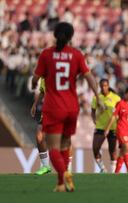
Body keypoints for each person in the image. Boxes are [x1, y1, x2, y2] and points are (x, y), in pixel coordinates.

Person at [31, 22, 99, 192]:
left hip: (54, 106)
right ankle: (61, 183)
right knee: (65, 145)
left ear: (55, 35)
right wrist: (98, 96)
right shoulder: (76, 54)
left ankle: (65, 173)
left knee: (53, 146)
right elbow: (89, 76)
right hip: (71, 107)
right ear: (71, 36)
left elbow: (35, 79)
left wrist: (34, 84)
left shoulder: (46, 54)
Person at [104, 85, 128, 173]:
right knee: (127, 148)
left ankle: (116, 172)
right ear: (125, 94)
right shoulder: (120, 103)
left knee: (122, 151)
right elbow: (114, 117)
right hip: (121, 129)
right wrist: (107, 128)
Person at [91, 78, 121, 173]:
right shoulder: (96, 98)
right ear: (100, 86)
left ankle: (112, 172)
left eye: (105, 85)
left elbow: (120, 112)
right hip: (100, 126)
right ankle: (102, 168)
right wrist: (94, 120)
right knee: (95, 148)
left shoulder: (116, 98)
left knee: (112, 151)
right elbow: (92, 111)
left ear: (108, 86)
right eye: (102, 86)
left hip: (113, 127)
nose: (103, 87)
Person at [30, 78, 52, 175]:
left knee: (64, 139)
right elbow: (43, 92)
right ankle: (46, 166)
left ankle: (68, 167)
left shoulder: (58, 73)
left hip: (60, 109)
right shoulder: (44, 77)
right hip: (47, 111)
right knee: (39, 137)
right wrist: (35, 104)